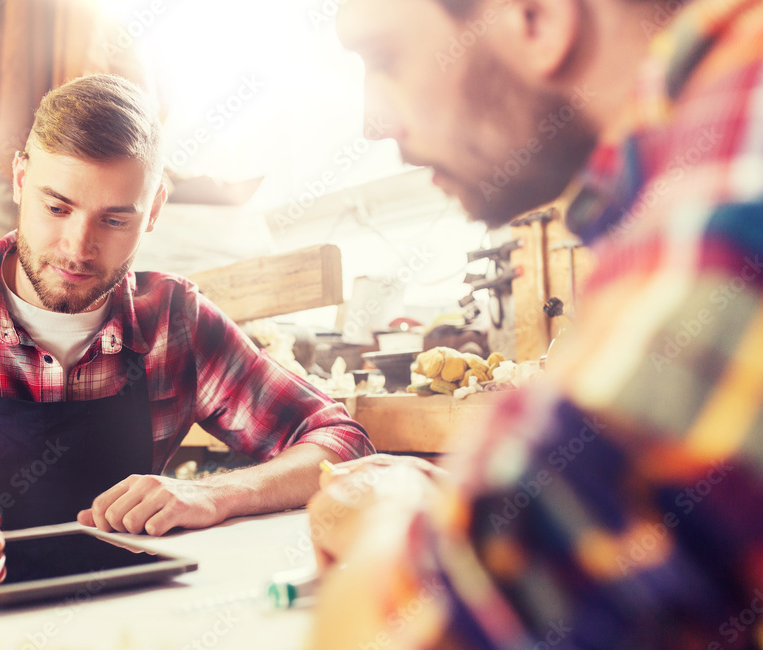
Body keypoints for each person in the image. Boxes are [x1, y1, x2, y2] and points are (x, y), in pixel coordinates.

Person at [0, 74, 373, 564]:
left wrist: (214, 493)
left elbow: (340, 441)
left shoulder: (176, 324)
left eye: (115, 219)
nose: (79, 248)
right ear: (21, 178)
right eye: (57, 207)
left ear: (154, 210)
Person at [309, 0, 763, 648]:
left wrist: (388, 515)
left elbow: (404, 630)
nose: (372, 122)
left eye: (385, 59)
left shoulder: (737, 162)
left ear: (536, 16)